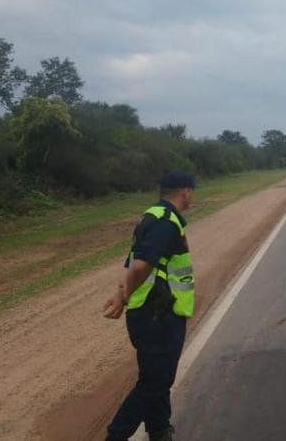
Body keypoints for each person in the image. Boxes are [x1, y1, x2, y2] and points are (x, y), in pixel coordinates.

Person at [103, 171, 197, 441]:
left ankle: (159, 429)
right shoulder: (167, 222)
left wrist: (122, 294)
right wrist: (122, 296)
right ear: (185, 192)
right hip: (158, 313)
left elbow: (133, 260)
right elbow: (142, 265)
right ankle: (116, 435)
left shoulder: (152, 215)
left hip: (147, 311)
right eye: (192, 192)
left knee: (156, 377)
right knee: (155, 381)